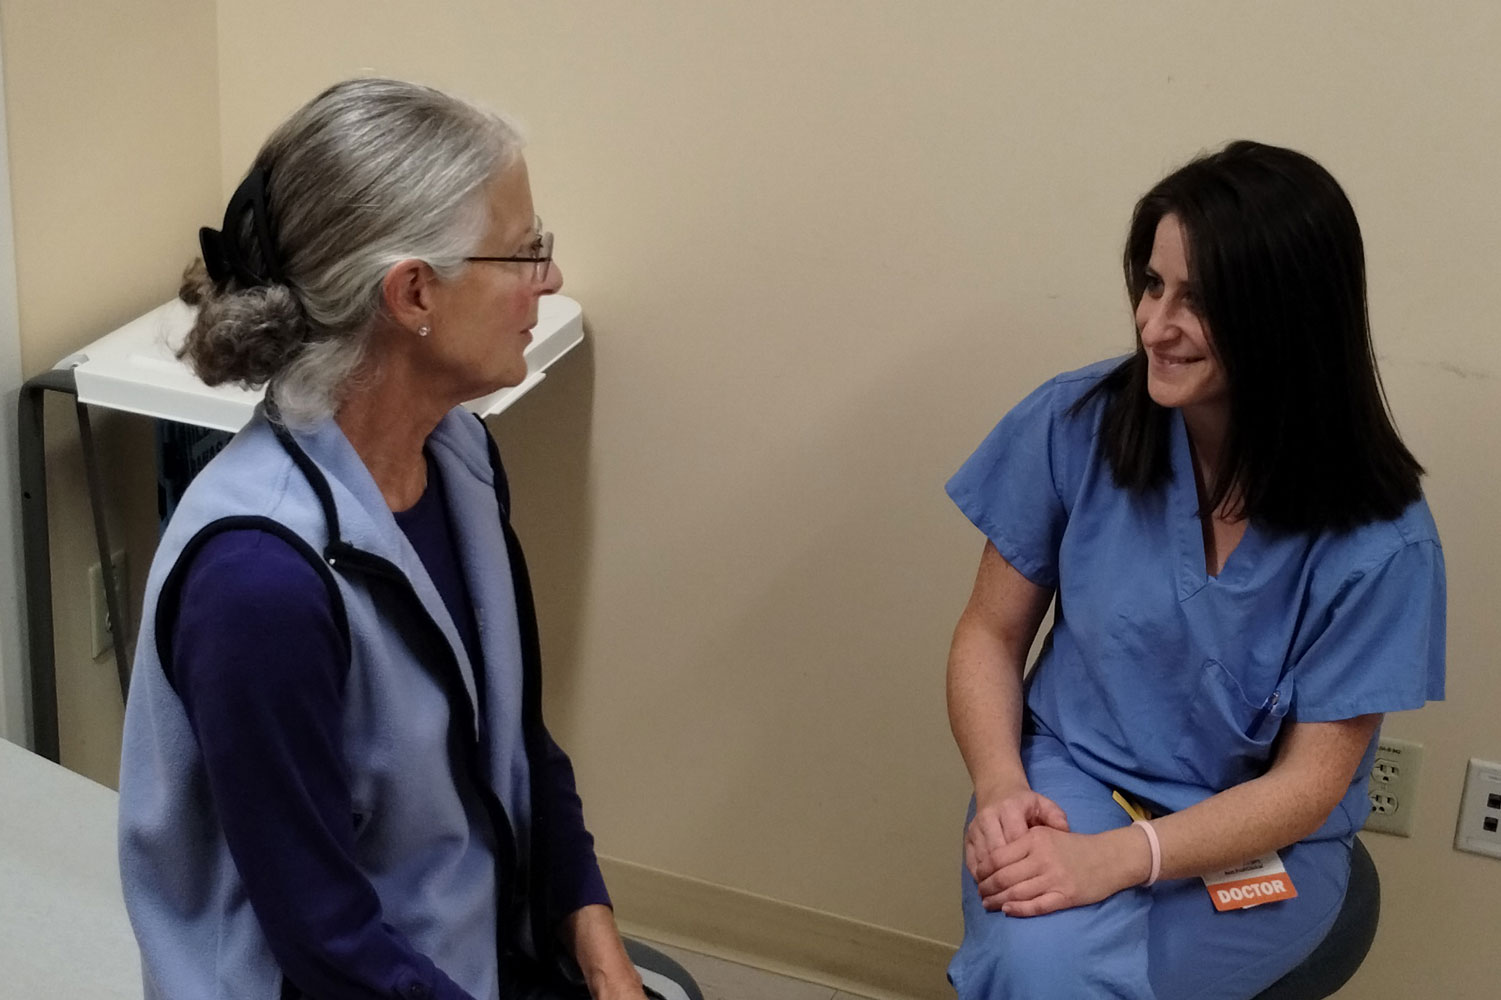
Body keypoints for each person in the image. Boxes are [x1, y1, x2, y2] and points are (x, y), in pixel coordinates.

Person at [118, 78, 689, 1000]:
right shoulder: (259, 581)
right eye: (524, 250)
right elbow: (326, 943)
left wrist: (597, 945)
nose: (546, 278)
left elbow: (516, 740)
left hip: (470, 955)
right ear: (413, 292)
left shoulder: (457, 457)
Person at [943, 141, 1445, 999]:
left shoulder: (1381, 541)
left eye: (1198, 301)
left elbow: (1307, 784)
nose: (1153, 326)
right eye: (1150, 285)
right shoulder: (1075, 425)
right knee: (1035, 967)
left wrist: (1121, 861)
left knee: (1073, 983)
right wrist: (999, 785)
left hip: (1264, 836)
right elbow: (988, 635)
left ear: (1287, 316)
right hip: (1073, 780)